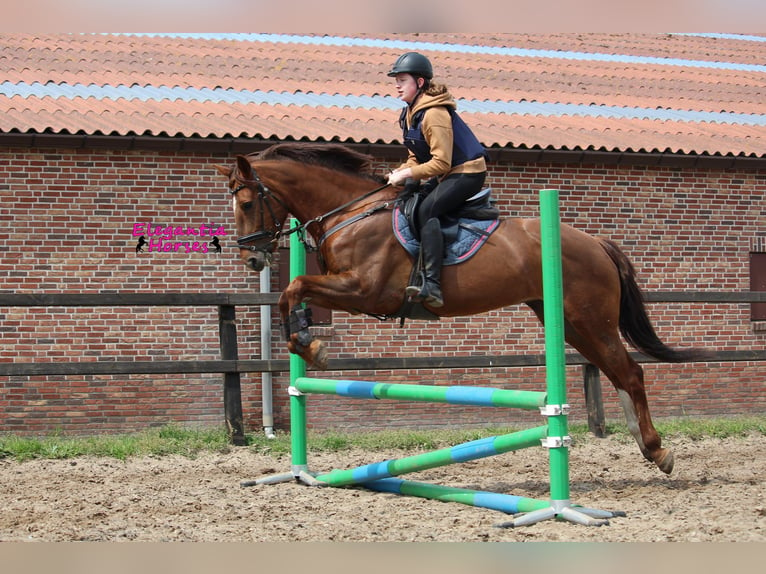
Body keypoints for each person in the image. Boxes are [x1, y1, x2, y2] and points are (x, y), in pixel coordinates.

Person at [386, 52, 488, 308]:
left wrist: (408, 174)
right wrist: (401, 174)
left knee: (426, 211)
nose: (397, 85)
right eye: (395, 80)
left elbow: (441, 162)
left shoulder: (434, 114)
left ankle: (432, 283)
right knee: (407, 200)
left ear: (420, 83)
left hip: (467, 172)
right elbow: (415, 156)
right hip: (446, 172)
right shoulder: (409, 114)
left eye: (402, 79)